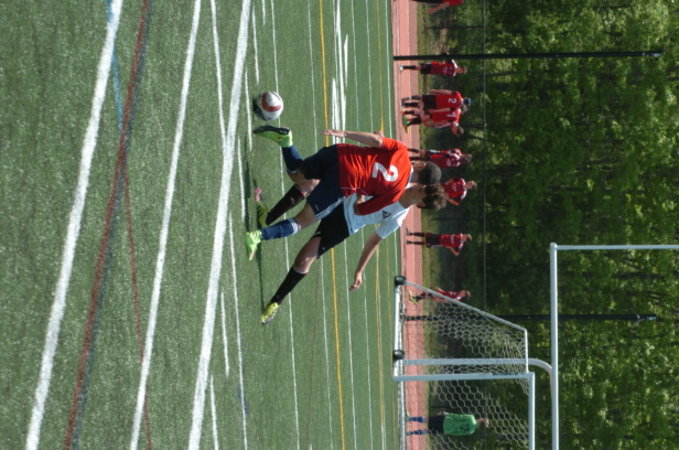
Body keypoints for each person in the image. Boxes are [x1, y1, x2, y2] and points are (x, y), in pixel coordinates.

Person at [257, 182, 447, 324]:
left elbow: (374, 240)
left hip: (344, 224)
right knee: (311, 184)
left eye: (420, 191)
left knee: (303, 261)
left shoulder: (397, 219)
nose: (416, 188)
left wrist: (359, 271)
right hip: (340, 198)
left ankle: (276, 302)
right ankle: (266, 217)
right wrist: (359, 195)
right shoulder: (398, 181)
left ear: (421, 204)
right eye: (421, 186)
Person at [245, 126, 414, 260]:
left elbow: (376, 140)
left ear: (421, 165)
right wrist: (361, 194)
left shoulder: (402, 150)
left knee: (297, 174)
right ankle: (257, 236)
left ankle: (286, 142)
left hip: (340, 152)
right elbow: (360, 210)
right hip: (344, 181)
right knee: (301, 222)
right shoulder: (397, 192)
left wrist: (345, 133)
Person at [406, 413, 489, 436]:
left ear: (481, 420)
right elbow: (457, 434)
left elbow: (458, 417)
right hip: (447, 430)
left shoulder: (471, 418)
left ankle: (409, 419)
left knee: (427, 419)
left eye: (483, 418)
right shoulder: (471, 431)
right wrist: (449, 432)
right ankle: (410, 433)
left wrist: (446, 413)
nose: (481, 417)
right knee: (428, 431)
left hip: (446, 421)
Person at [402, 89, 471, 112]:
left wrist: (436, 91)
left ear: (465, 98)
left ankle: (408, 98)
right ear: (464, 104)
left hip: (437, 97)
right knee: (422, 105)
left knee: (422, 97)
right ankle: (406, 105)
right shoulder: (456, 107)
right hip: (437, 105)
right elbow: (445, 109)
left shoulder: (457, 94)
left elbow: (445, 92)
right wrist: (436, 110)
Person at [406, 232, 472, 256]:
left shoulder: (460, 244)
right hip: (441, 236)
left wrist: (450, 247)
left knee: (427, 243)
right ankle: (411, 233)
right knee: (427, 234)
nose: (464, 235)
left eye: (465, 236)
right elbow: (452, 235)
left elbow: (456, 253)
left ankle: (410, 242)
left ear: (465, 240)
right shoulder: (460, 234)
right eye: (465, 234)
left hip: (441, 243)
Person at [400, 59, 467, 78]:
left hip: (434, 71)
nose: (459, 72)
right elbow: (447, 56)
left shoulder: (453, 74)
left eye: (460, 72)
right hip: (434, 65)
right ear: (460, 67)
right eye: (460, 70)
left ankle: (405, 68)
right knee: (419, 67)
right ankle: (404, 67)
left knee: (419, 69)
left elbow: (444, 74)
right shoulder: (453, 64)